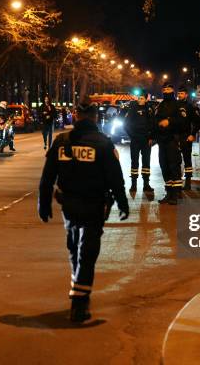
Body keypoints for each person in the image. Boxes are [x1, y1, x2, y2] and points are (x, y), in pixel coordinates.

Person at [38, 99, 129, 323]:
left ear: (76, 116)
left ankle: (78, 291)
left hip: (69, 206)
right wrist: (122, 202)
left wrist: (43, 203)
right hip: (94, 205)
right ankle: (79, 302)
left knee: (74, 249)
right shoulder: (103, 143)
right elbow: (115, 178)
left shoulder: (61, 141)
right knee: (87, 253)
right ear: (96, 117)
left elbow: (48, 177)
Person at [154, 83, 183, 204]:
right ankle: (169, 192)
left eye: (169, 89)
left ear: (173, 90)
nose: (166, 91)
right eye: (164, 89)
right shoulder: (160, 105)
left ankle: (175, 194)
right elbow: (154, 121)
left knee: (174, 166)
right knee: (164, 167)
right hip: (162, 141)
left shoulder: (178, 105)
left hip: (172, 140)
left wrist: (169, 121)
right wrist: (152, 135)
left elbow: (182, 121)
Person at [124, 90, 154, 193]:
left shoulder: (150, 109)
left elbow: (153, 124)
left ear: (146, 99)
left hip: (146, 141)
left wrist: (151, 137)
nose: (140, 100)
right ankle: (133, 185)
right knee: (134, 162)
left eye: (142, 98)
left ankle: (146, 184)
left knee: (146, 162)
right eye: (139, 98)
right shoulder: (132, 109)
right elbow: (126, 124)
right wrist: (132, 136)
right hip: (135, 140)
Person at [177, 86, 200, 190]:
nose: (179, 95)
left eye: (182, 93)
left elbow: (197, 122)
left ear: (186, 95)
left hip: (186, 136)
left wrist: (192, 134)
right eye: (179, 93)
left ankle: (188, 182)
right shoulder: (175, 105)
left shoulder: (190, 106)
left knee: (187, 160)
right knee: (176, 160)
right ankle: (177, 181)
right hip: (176, 137)